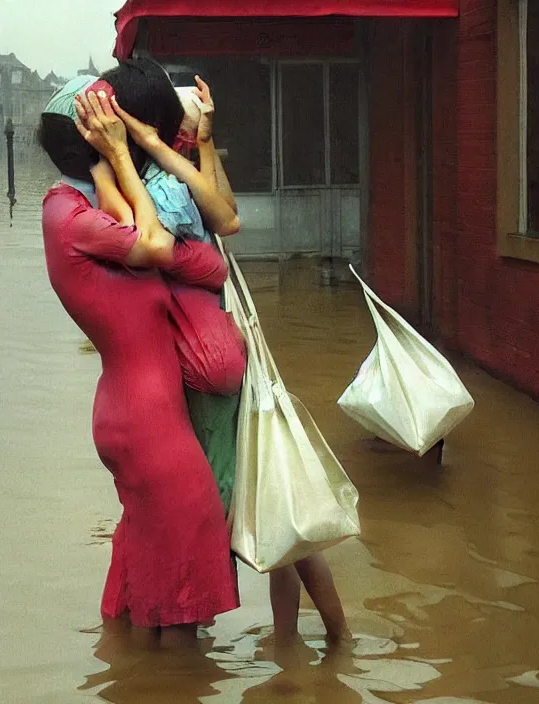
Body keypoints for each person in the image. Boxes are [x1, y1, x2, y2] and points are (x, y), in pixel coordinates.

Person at [74, 61, 353, 648]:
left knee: (243, 509)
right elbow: (220, 222)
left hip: (204, 368)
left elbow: (205, 223)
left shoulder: (164, 187)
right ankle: (305, 646)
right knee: (277, 508)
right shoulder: (174, 173)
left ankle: (302, 641)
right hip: (216, 355)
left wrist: (120, 159)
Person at [38, 72, 240, 649]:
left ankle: (126, 681)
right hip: (150, 425)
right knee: (184, 603)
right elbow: (163, 247)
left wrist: (142, 154)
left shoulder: (88, 208)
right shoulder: (72, 217)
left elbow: (211, 247)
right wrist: (121, 154)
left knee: (144, 586)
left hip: (137, 415)